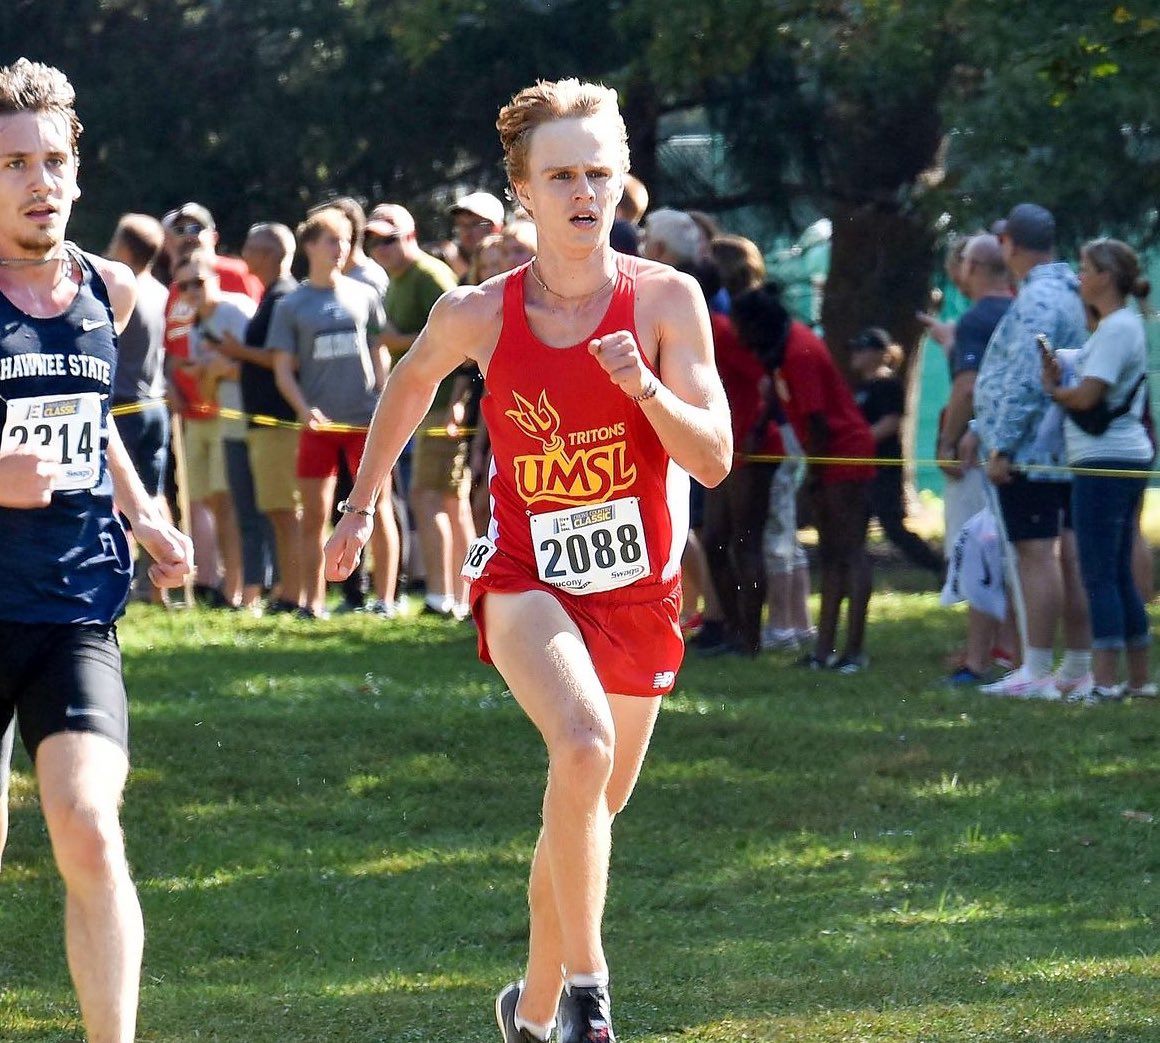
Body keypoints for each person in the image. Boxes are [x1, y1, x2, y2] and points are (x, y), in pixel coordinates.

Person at [324, 78, 731, 1043]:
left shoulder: (666, 300)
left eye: (598, 171)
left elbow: (712, 455)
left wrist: (646, 393)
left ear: (622, 180)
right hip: (526, 579)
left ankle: (532, 1010)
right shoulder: (481, 311)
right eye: (561, 175)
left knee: (583, 815)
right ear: (525, 191)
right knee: (581, 748)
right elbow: (410, 382)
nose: (583, 191)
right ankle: (592, 998)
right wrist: (361, 502)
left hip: (639, 592)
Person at [0, 57, 193, 1043]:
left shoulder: (105, 290)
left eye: (53, 161)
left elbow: (93, 421)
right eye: (13, 163)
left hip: (75, 604)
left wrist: (146, 507)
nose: (38, 181)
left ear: (79, 170)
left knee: (86, 820)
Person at [974, 203, 1092, 700]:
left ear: (1009, 245)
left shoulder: (1040, 298)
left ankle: (1038, 668)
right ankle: (1078, 665)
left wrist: (1002, 443)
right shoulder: (1068, 290)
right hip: (1057, 446)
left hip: (1031, 450)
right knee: (1065, 557)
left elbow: (1027, 376)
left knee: (1035, 553)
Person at [733, 283, 876, 672]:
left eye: (742, 328)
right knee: (831, 554)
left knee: (850, 551)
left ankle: (854, 651)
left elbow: (817, 421)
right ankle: (823, 651)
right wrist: (760, 427)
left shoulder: (799, 351)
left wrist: (814, 473)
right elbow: (781, 398)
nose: (740, 337)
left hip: (844, 451)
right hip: (827, 453)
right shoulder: (781, 350)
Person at [270, 206, 398, 620]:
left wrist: (384, 395)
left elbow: (379, 346)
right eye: (332, 240)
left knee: (379, 508)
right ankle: (313, 601)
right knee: (316, 516)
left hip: (365, 421)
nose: (341, 249)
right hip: (319, 425)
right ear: (310, 245)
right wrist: (305, 410)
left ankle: (385, 598)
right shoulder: (293, 303)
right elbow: (282, 369)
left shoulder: (364, 293)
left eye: (345, 240)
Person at [1043, 238, 1156, 702]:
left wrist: (1055, 390)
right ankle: (1138, 678)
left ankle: (1106, 684)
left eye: (1086, 269)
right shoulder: (1118, 326)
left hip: (1105, 460)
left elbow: (1089, 395)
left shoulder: (1116, 329)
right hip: (1119, 457)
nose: (1079, 277)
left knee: (1099, 573)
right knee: (1117, 572)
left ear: (1106, 278)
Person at [919, 232, 1018, 683]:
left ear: (973, 268)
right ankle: (1008, 649)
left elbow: (968, 387)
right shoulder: (1020, 307)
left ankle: (981, 658)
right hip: (1015, 450)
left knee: (980, 549)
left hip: (979, 452)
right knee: (1013, 552)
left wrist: (948, 439)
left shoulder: (978, 319)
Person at [366, 204, 468, 617]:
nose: (381, 249)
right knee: (446, 500)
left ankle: (444, 596)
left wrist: (394, 341)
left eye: (389, 240)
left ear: (411, 235)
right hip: (427, 405)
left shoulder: (429, 276)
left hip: (441, 406)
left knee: (434, 498)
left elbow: (457, 341)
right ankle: (459, 595)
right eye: (373, 241)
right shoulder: (399, 279)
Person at [213, 221, 303, 613]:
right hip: (265, 422)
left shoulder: (283, 297)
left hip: (280, 423)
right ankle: (286, 588)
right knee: (276, 509)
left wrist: (238, 350)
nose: (243, 254)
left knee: (286, 511)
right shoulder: (273, 296)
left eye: (249, 247)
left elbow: (287, 358)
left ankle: (293, 591)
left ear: (268, 254)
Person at [105, 212, 173, 602]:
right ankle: (161, 577)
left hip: (123, 406)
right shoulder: (162, 293)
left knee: (120, 495)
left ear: (124, 247)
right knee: (155, 493)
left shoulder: (117, 292)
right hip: (155, 405)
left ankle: (124, 576)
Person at [848, 326, 944, 574]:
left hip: (883, 467)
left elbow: (891, 422)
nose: (855, 354)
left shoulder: (888, 385)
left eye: (861, 348)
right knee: (854, 527)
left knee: (892, 527)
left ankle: (938, 566)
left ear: (878, 353)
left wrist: (859, 443)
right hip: (863, 468)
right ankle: (854, 573)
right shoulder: (863, 387)